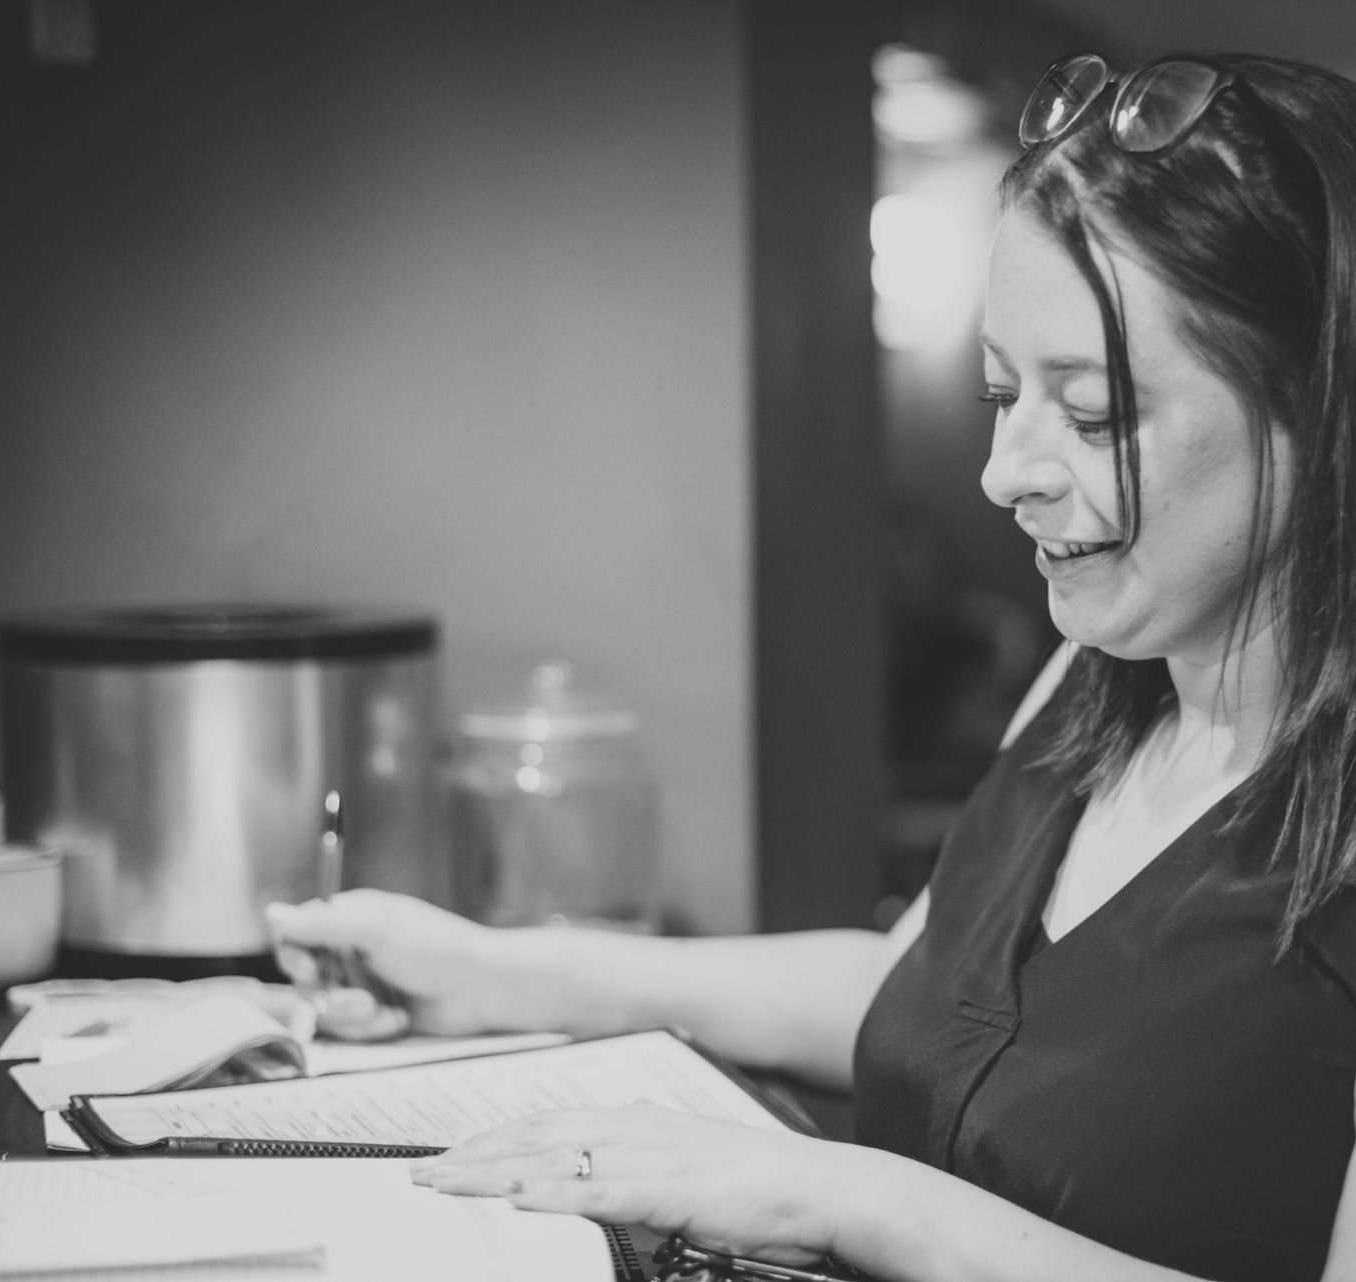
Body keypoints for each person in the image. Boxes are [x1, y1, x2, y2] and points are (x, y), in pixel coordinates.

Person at [268, 50, 1356, 1282]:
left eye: (1092, 413)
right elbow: (916, 997)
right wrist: (490, 972)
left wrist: (844, 1197)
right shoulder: (1095, 680)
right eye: (1000, 393)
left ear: (1317, 413)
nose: (1004, 472)